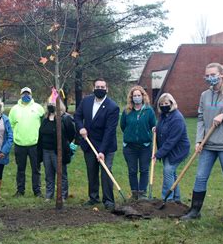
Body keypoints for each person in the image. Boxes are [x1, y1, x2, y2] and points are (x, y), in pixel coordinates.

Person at [181, 63, 223, 222]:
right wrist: (199, 140)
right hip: (208, 144)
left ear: (221, 75)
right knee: (200, 177)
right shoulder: (205, 95)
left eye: (213, 74)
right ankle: (195, 211)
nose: (210, 78)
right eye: (207, 75)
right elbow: (200, 118)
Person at [74, 78, 120, 211]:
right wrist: (81, 127)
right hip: (89, 144)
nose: (100, 89)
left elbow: (110, 131)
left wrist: (102, 151)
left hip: (106, 145)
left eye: (102, 87)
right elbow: (77, 116)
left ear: (107, 89)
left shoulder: (113, 107)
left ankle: (108, 200)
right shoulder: (86, 101)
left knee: (106, 173)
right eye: (97, 87)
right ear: (93, 88)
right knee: (91, 172)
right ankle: (93, 197)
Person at [120, 86, 156, 200]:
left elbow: (153, 125)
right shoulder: (127, 111)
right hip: (130, 147)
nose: (136, 98)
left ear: (143, 96)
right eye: (134, 96)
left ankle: (142, 193)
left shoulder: (149, 111)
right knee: (132, 170)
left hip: (145, 146)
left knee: (144, 169)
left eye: (138, 95)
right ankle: (134, 193)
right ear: (131, 98)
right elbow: (123, 126)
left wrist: (152, 130)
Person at [37, 97, 75, 201]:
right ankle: (49, 195)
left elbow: (71, 133)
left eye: (54, 103)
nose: (51, 105)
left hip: (58, 150)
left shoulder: (65, 118)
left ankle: (63, 195)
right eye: (50, 103)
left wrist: (65, 144)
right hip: (46, 150)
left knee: (61, 174)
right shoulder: (45, 119)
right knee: (49, 174)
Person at [153, 93, 190, 202]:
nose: (164, 105)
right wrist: (156, 129)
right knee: (172, 173)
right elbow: (163, 128)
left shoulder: (177, 118)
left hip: (178, 150)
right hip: (168, 150)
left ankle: (167, 199)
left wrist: (157, 154)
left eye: (166, 103)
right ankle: (176, 198)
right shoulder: (164, 116)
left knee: (168, 171)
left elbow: (171, 141)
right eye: (162, 104)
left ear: (172, 103)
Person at [8, 87, 45, 197]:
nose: (26, 95)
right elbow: (10, 125)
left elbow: (43, 124)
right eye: (24, 93)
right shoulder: (14, 109)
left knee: (36, 169)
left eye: (28, 93)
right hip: (20, 144)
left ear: (31, 94)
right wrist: (16, 135)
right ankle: (20, 190)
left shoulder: (38, 108)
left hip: (35, 144)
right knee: (20, 169)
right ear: (20, 95)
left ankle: (37, 191)